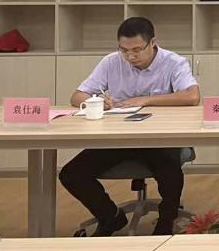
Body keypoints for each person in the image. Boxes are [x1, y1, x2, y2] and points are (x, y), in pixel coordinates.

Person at [59, 17, 200, 236]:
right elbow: (77, 96)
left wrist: (146, 100)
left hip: (158, 139)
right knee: (71, 174)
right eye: (124, 50)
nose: (130, 57)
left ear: (152, 43)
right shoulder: (111, 62)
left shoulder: (173, 62)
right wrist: (96, 102)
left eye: (137, 50)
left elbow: (192, 96)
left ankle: (166, 221)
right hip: (119, 138)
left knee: (170, 171)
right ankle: (111, 216)